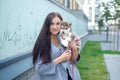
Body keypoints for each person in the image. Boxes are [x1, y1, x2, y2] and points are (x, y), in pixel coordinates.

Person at [32, 12, 81, 80]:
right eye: (52, 24)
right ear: (47, 25)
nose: (55, 27)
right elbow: (40, 69)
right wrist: (61, 58)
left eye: (58, 24)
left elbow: (73, 61)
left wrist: (75, 49)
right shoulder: (42, 43)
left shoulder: (63, 38)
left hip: (71, 76)